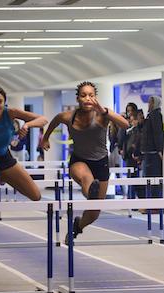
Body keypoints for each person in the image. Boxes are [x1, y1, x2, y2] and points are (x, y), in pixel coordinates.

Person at [41, 81, 128, 243]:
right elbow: (55, 121)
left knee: (94, 213)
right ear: (78, 99)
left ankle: (78, 226)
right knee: (86, 178)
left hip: (101, 163)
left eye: (91, 95)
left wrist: (105, 111)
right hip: (79, 160)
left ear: (95, 98)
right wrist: (45, 138)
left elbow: (125, 124)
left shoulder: (102, 115)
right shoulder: (68, 117)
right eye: (83, 95)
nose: (87, 98)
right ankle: (91, 191)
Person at [140, 96, 164, 198]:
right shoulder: (150, 116)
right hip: (148, 153)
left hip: (153, 154)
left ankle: (154, 203)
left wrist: (159, 150)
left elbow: (157, 133)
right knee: (148, 179)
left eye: (151, 102)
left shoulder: (155, 115)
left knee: (153, 180)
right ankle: (150, 203)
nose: (149, 104)